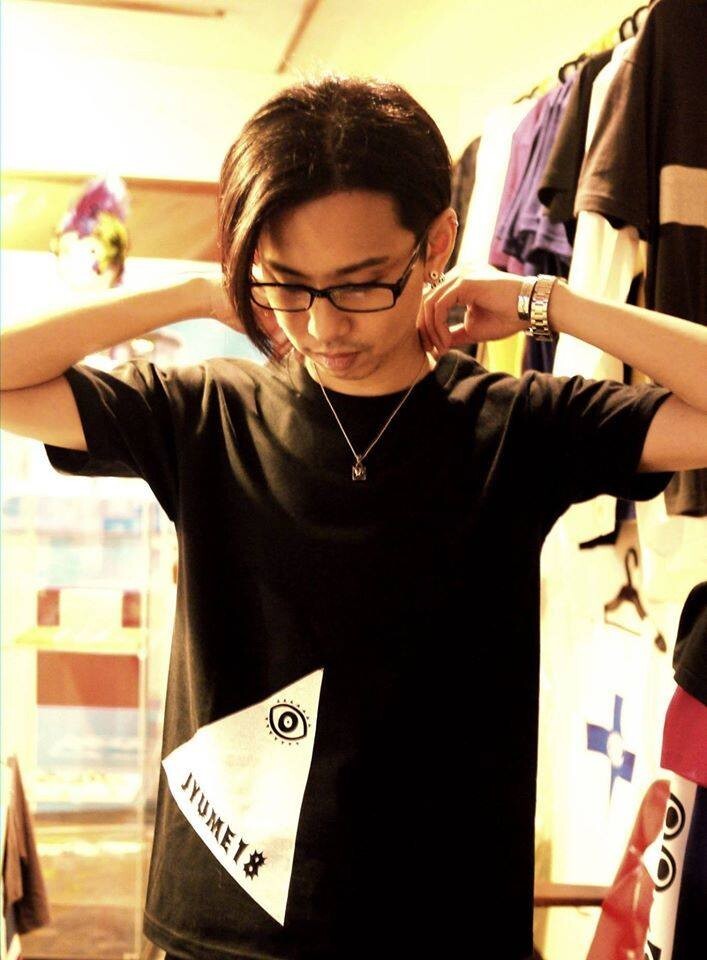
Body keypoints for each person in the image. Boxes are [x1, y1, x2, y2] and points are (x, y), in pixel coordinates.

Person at [1, 73, 706, 960]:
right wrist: (195, 293)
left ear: (436, 242)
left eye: (362, 284)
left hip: (442, 920)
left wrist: (544, 301)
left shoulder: (519, 425)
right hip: (226, 918)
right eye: (287, 284)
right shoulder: (205, 414)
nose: (322, 326)